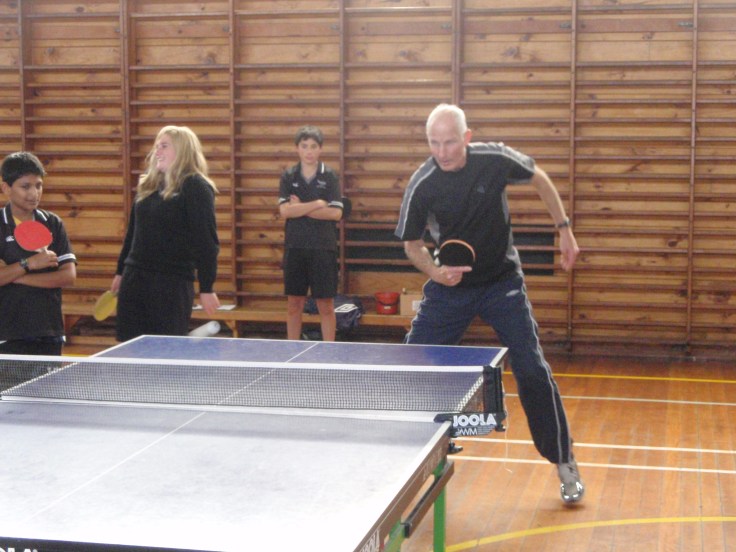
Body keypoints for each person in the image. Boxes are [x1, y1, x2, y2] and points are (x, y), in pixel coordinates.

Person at [394, 104, 584, 505]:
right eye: (433, 143)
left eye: (449, 142)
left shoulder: (493, 159)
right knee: (412, 365)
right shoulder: (423, 182)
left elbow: (539, 178)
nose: (442, 152)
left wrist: (564, 230)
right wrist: (435, 273)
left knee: (532, 369)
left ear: (466, 138)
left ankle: (564, 460)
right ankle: (413, 454)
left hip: (501, 283)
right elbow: (412, 245)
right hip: (451, 286)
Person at [111, 125, 220, 342]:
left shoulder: (196, 187)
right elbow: (132, 234)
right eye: (156, 146)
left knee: (165, 349)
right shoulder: (148, 186)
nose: (157, 151)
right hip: (135, 279)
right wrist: (121, 271)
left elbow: (206, 242)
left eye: (164, 146)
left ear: (182, 150)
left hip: (171, 283)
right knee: (130, 349)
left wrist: (207, 287)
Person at [0, 151, 77, 356]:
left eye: (38, 185)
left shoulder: (52, 223)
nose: (34, 193)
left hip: (48, 331)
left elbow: (68, 276)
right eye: (25, 186)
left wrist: (16, 276)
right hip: (7, 333)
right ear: (6, 188)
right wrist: (29, 264)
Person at [278, 126, 343, 341]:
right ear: (297, 148)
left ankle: (329, 352)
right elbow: (285, 212)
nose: (309, 151)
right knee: (294, 304)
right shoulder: (289, 176)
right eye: (304, 146)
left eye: (313, 146)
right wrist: (316, 204)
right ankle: (292, 350)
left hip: (323, 248)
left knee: (326, 305)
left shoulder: (330, 176)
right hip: (295, 247)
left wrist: (299, 208)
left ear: (320, 149)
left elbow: (335, 213)